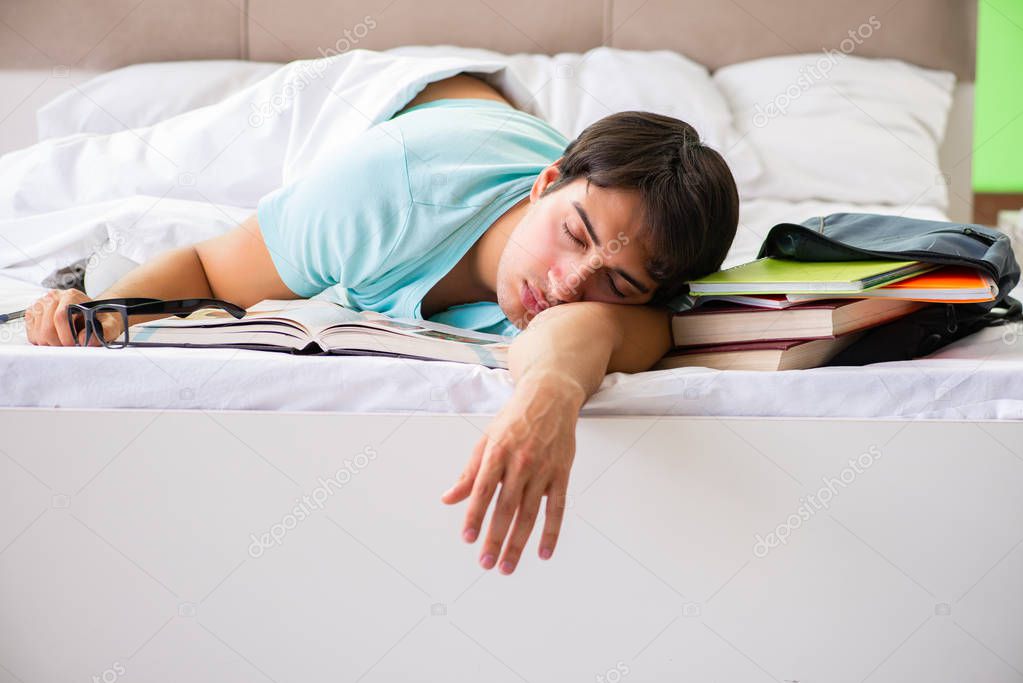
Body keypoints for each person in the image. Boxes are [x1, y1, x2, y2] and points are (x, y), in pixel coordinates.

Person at [24, 73, 739, 576]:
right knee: (130, 161)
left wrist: (548, 393)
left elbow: (584, 336)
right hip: (399, 99)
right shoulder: (382, 194)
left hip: (493, 115)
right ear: (545, 183)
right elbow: (211, 272)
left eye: (615, 281)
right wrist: (90, 315)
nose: (567, 284)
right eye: (573, 234)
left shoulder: (619, 293)